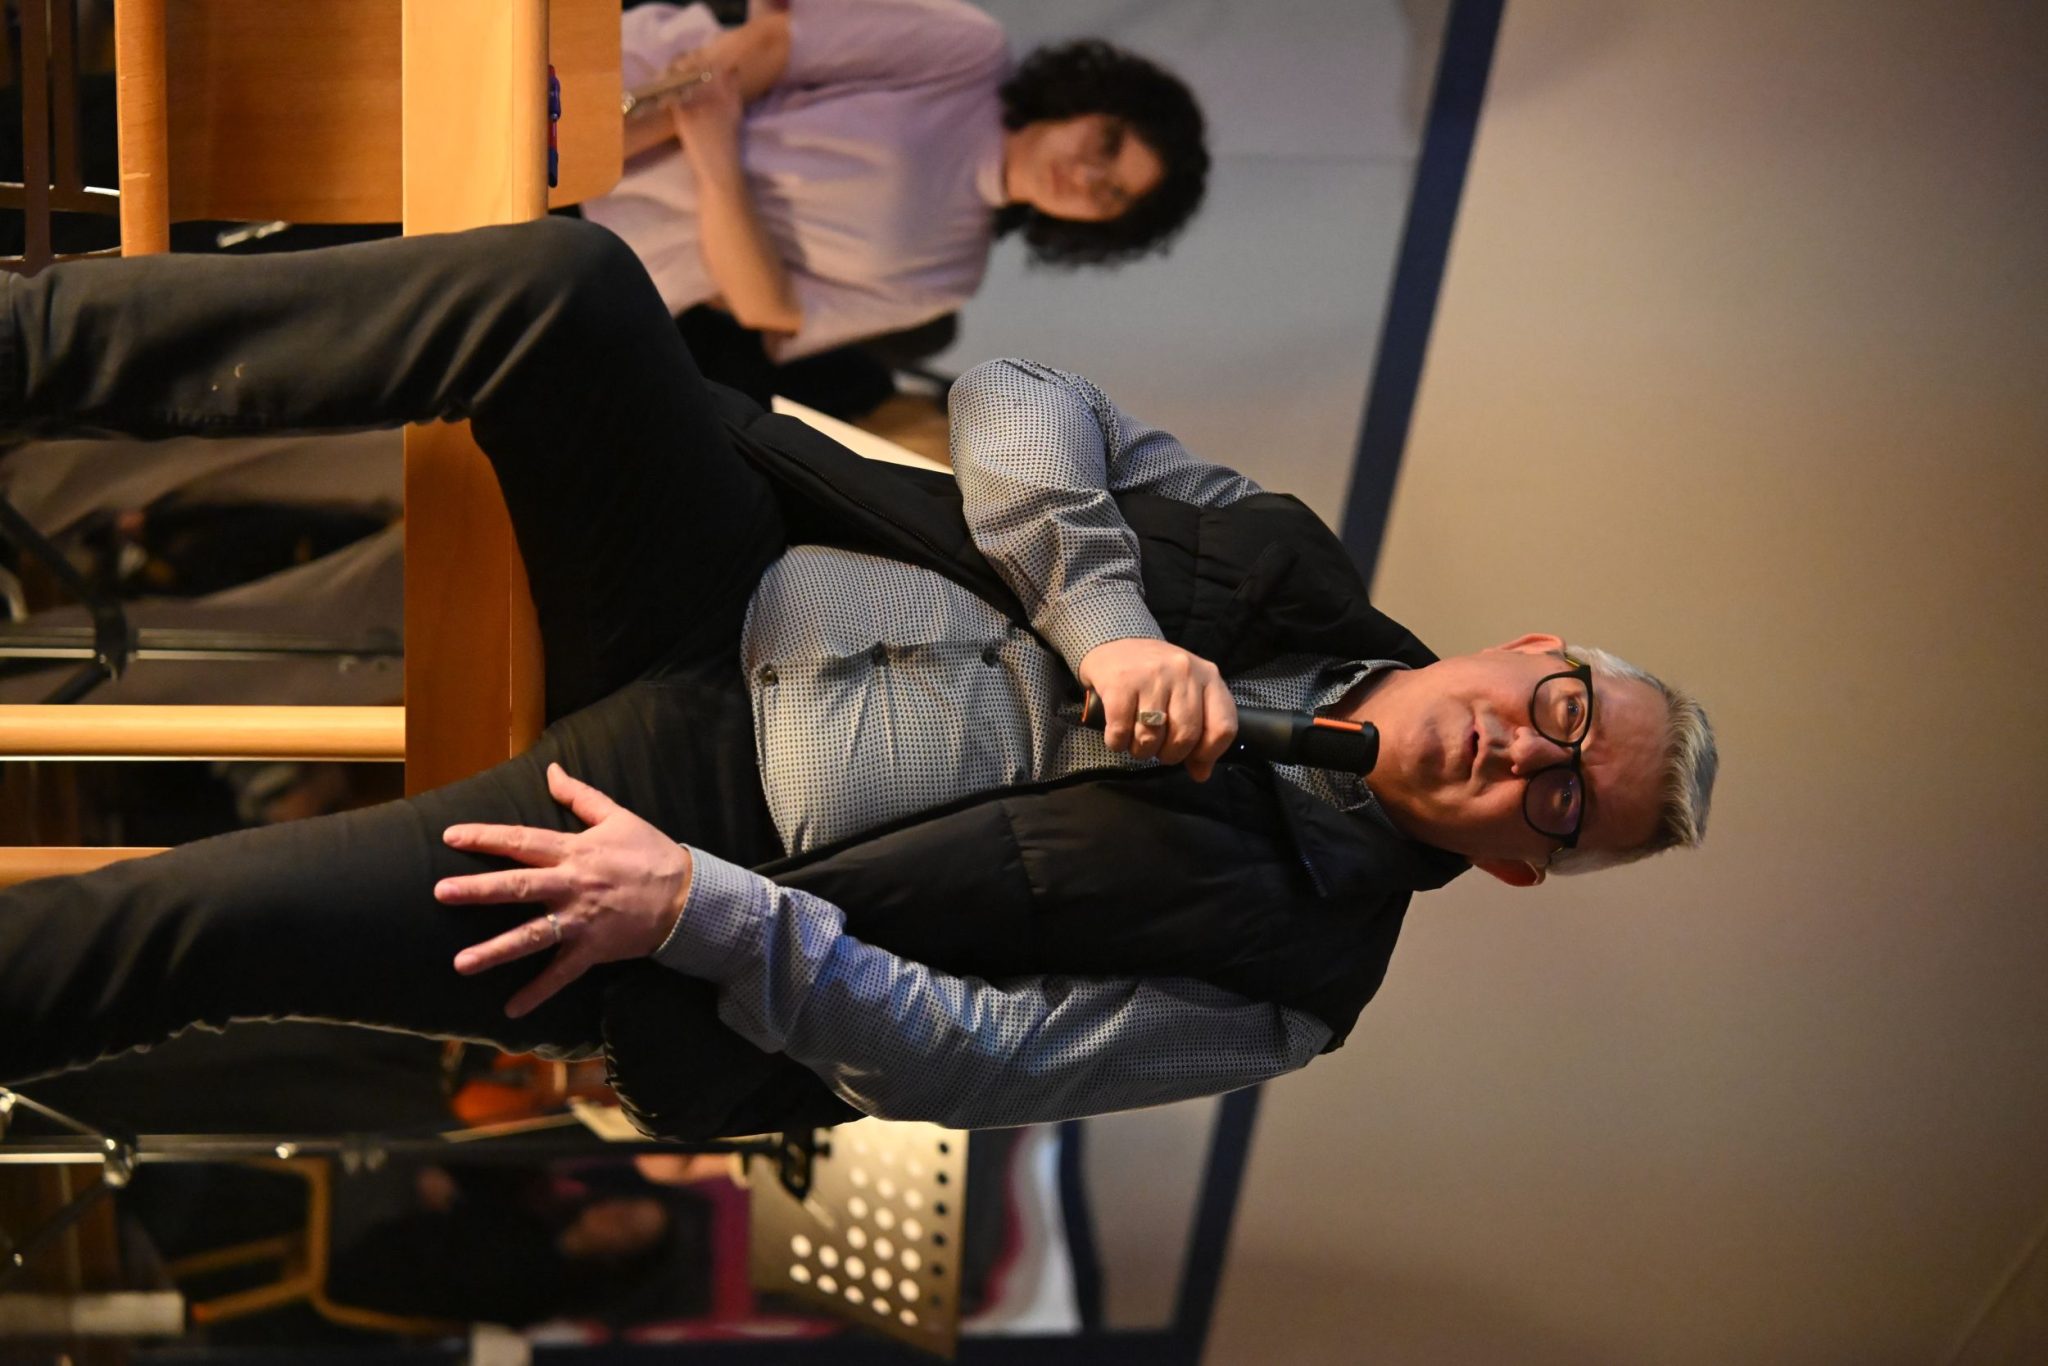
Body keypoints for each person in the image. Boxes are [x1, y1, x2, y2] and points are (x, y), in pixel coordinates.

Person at [0, 218, 1716, 1137]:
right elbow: (1023, 396)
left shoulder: (1298, 982)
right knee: (571, 291)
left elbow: (977, 1061)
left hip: (685, 857)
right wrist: (1107, 618)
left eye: (1564, 807)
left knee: (193, 924)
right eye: (1564, 718)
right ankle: (28, 343)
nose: (1526, 758)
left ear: (1517, 864)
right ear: (1529, 651)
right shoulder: (1287, 559)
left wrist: (703, 911)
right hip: (724, 577)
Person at [585, 0, 1209, 376]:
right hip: (613, 100)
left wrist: (718, 164)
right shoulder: (972, 53)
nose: (1086, 176)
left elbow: (767, 307)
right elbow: (767, 49)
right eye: (1108, 145)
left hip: (606, 256)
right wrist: (593, 149)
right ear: (1093, 101)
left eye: (1112, 195)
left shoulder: (950, 278)